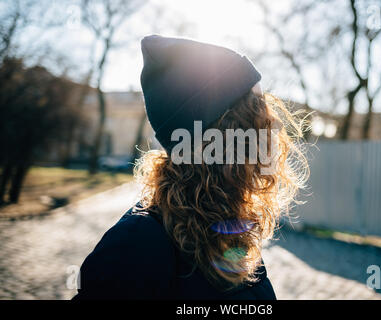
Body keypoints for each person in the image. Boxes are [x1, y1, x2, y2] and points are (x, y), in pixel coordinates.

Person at [72, 35, 308, 300]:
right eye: (259, 115)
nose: (273, 130)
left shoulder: (227, 225)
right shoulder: (137, 243)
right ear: (226, 135)